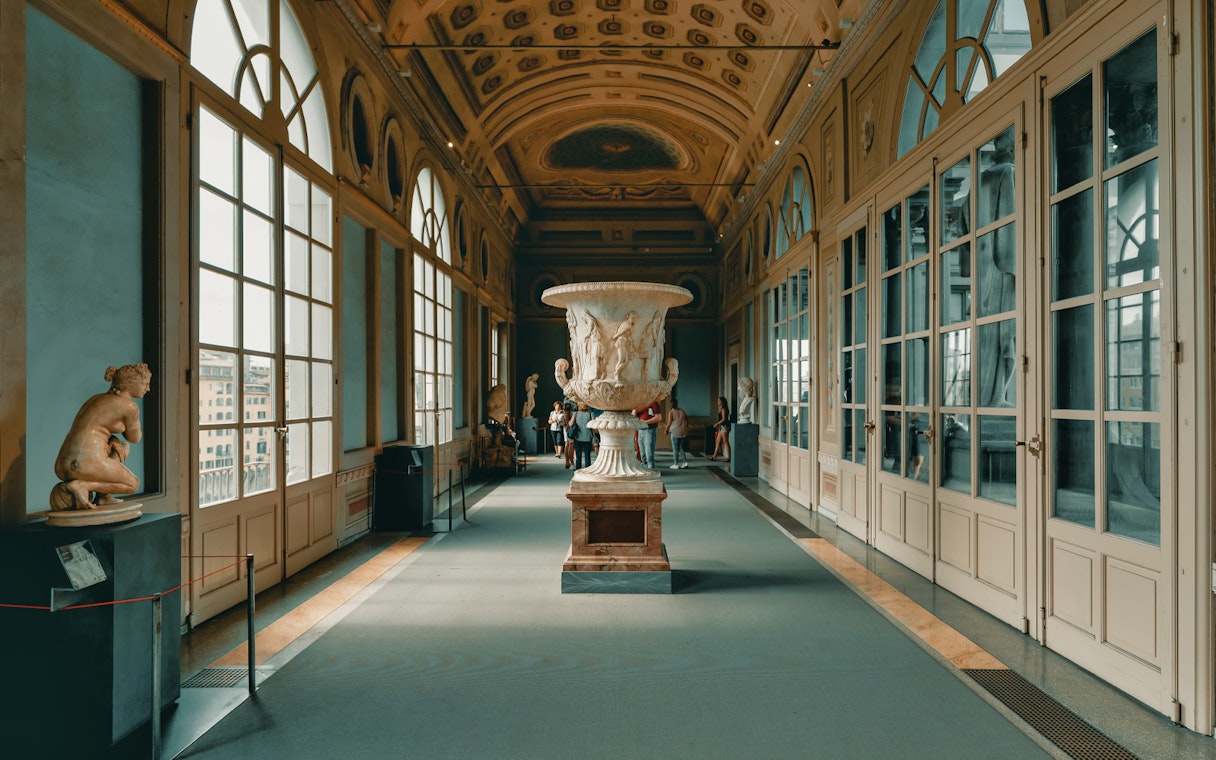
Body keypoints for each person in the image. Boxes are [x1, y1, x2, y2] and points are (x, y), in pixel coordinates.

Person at [50, 363, 151, 510]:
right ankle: (82, 485)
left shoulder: (96, 399)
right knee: (132, 484)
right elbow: (135, 438)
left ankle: (103, 496)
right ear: (131, 383)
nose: (147, 389)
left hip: (62, 464)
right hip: (86, 464)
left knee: (122, 447)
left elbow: (93, 428)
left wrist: (113, 439)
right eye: (145, 384)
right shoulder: (129, 407)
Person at [634, 399, 661, 468]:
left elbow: (658, 417)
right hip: (640, 430)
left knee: (649, 455)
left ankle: (651, 473)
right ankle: (645, 473)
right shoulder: (639, 403)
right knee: (642, 455)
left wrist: (645, 422)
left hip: (649, 430)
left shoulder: (653, 402)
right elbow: (633, 415)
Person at [570, 402, 595, 469]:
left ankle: (578, 470)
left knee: (578, 456)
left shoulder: (576, 414)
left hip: (577, 437)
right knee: (587, 456)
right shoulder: (590, 413)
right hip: (588, 437)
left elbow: (570, 424)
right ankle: (588, 470)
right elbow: (594, 425)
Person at [665, 397, 688, 469]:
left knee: (675, 449)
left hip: (675, 431)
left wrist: (666, 430)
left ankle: (676, 464)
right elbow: (687, 420)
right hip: (683, 431)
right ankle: (685, 462)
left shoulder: (671, 412)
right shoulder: (682, 411)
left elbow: (669, 423)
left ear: (671, 404)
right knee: (681, 447)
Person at [709, 395, 731, 461]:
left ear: (722, 402)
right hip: (722, 427)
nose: (718, 402)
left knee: (725, 442)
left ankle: (728, 457)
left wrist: (717, 424)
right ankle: (714, 456)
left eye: (719, 401)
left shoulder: (723, 409)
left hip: (724, 427)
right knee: (718, 441)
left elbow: (724, 419)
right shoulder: (721, 409)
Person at [563, 402, 576, 468]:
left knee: (567, 444)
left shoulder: (565, 411)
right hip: (570, 429)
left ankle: (567, 461)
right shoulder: (569, 412)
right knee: (570, 445)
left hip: (567, 428)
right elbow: (568, 421)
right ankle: (571, 462)